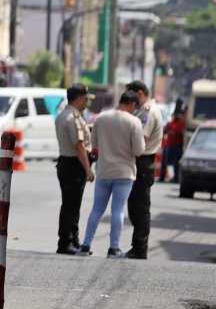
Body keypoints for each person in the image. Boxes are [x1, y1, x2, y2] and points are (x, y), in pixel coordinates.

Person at [76, 91, 145, 258]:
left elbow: (95, 144)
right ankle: (113, 248)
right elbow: (139, 150)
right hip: (124, 173)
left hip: (104, 171)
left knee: (97, 209)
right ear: (133, 104)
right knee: (117, 210)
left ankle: (85, 245)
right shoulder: (134, 121)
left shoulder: (101, 117)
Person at [124, 80, 163, 260]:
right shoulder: (142, 110)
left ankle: (140, 248)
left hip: (143, 161)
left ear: (140, 94)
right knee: (134, 206)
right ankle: (137, 246)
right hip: (139, 161)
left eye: (133, 96)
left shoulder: (148, 111)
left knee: (140, 207)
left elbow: (141, 140)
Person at [55, 84, 94, 255]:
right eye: (86, 98)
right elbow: (79, 146)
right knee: (70, 205)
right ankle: (65, 242)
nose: (86, 102)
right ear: (79, 99)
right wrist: (88, 170)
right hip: (73, 164)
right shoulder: (72, 117)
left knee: (73, 204)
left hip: (67, 162)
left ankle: (73, 240)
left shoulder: (65, 115)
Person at [162, 99, 187, 184]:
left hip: (177, 146)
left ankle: (176, 178)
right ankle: (162, 176)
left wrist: (173, 130)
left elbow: (180, 131)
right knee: (164, 159)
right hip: (170, 145)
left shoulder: (182, 123)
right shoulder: (171, 123)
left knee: (176, 163)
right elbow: (164, 131)